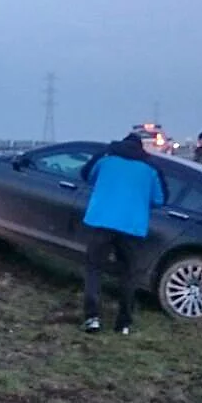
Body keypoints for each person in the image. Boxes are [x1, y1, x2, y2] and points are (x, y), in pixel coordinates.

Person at [81, 132, 166, 335]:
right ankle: (124, 323)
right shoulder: (150, 169)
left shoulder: (106, 160)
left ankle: (92, 318)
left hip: (101, 221)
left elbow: (87, 175)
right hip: (132, 227)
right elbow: (160, 199)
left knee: (94, 269)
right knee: (128, 275)